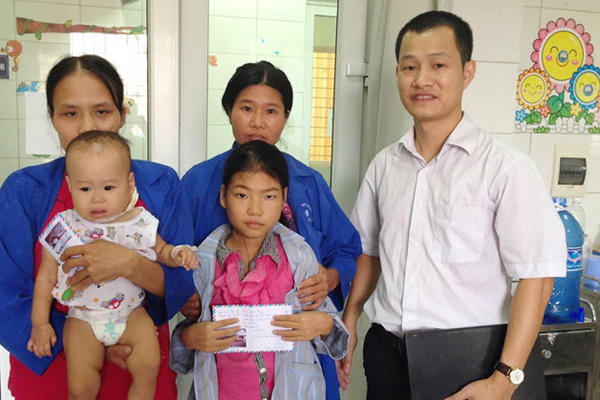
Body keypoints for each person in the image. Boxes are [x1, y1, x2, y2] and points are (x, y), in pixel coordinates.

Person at [336, 10, 566, 400]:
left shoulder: (505, 168)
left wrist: (505, 378)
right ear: (397, 74)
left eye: (438, 65)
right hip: (386, 355)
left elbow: (537, 277)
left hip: (470, 362)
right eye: (410, 67)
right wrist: (352, 316)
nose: (421, 79)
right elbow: (369, 253)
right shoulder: (385, 166)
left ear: (467, 72)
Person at [0, 54, 195, 399]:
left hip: (135, 358)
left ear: (122, 115)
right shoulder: (24, 190)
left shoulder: (160, 183)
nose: (87, 126)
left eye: (102, 111)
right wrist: (85, 339)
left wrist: (129, 264)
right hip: (52, 364)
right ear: (52, 118)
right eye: (70, 113)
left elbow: (182, 282)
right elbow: (6, 293)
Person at [179, 60, 361, 399]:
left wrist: (331, 278)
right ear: (229, 111)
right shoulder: (199, 183)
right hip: (227, 363)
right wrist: (184, 295)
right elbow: (173, 255)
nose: (258, 122)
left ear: (285, 116)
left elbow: (347, 248)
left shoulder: (309, 182)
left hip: (296, 353)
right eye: (246, 108)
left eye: (271, 111)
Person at [170, 140, 349, 399]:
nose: (255, 209)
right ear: (223, 196)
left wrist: (322, 323)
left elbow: (332, 331)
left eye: (269, 196)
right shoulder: (203, 262)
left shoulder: (299, 257)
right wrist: (191, 338)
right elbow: (184, 346)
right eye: (242, 195)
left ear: (284, 198)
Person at [28, 131, 198, 399]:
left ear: (130, 183)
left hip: (131, 314)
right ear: (69, 184)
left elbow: (162, 250)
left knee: (148, 366)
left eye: (108, 188)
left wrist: (178, 253)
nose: (97, 198)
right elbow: (46, 277)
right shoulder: (63, 226)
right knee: (80, 385)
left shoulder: (139, 221)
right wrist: (39, 324)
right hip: (82, 318)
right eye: (85, 189)